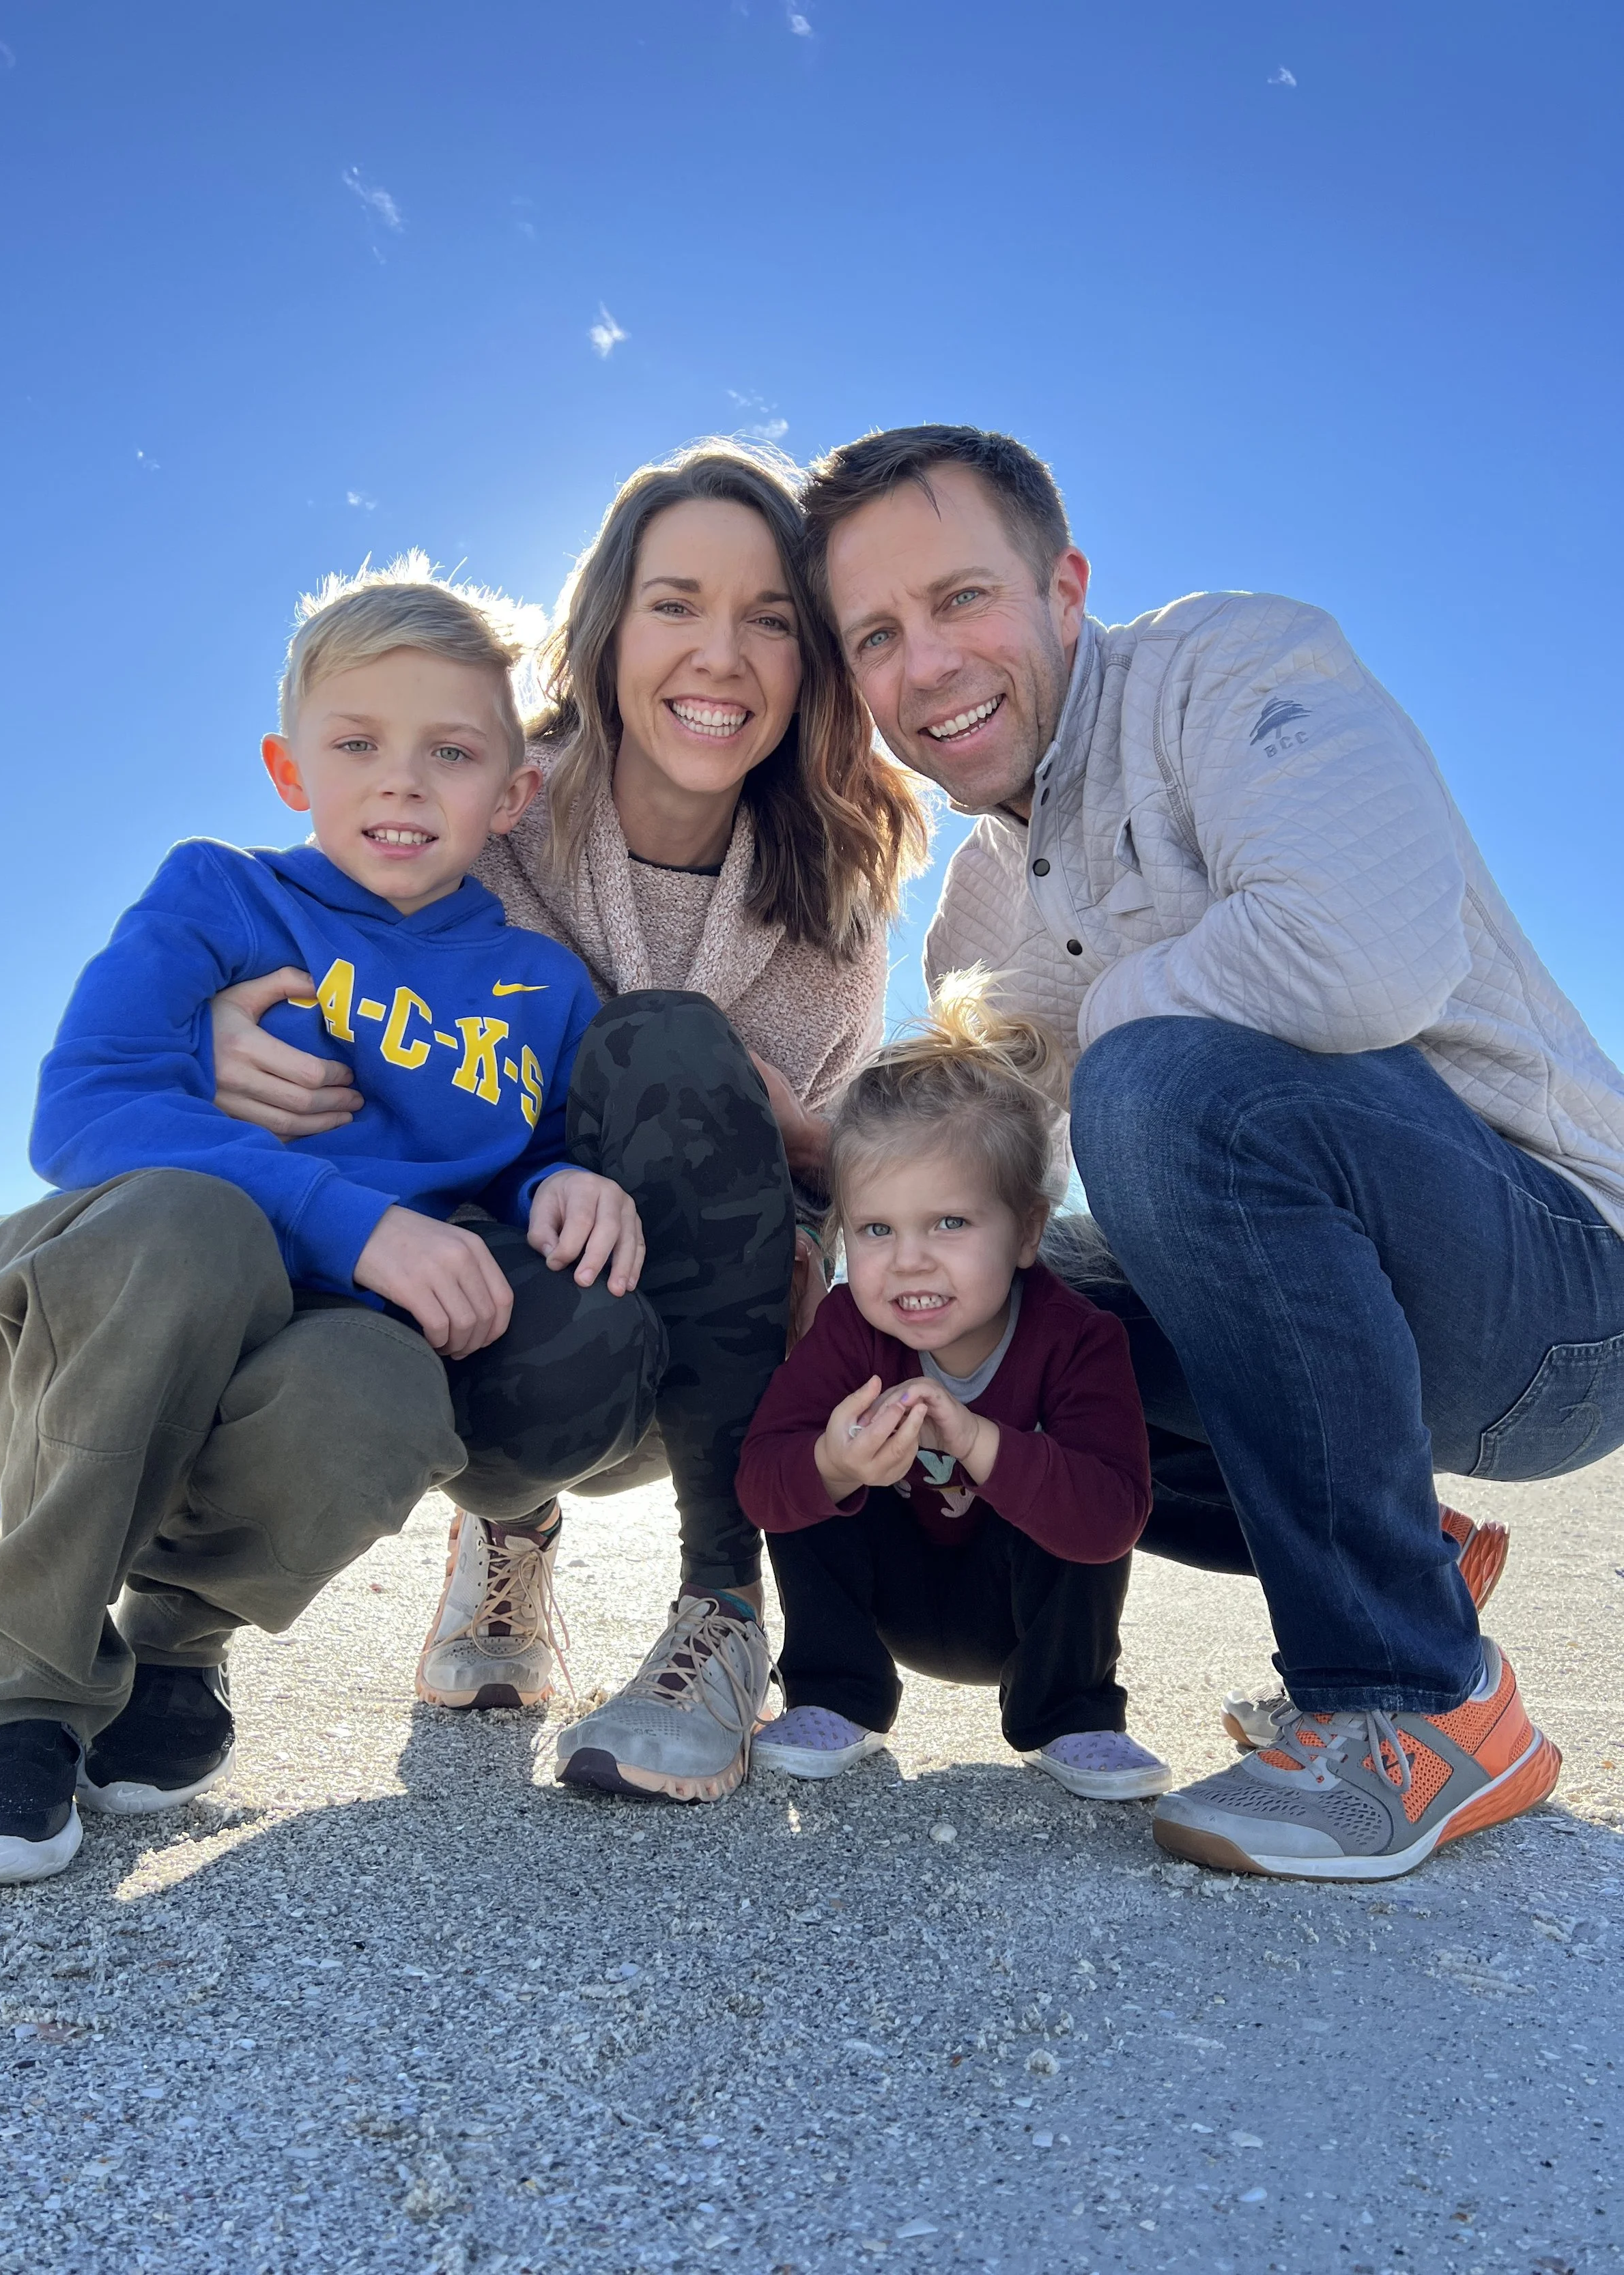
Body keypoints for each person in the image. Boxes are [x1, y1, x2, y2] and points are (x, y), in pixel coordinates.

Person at [797, 422, 1624, 1881]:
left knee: (1163, 1080)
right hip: (1359, 1327)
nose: (923, 665)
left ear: (1062, 588)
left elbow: (1354, 958)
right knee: (938, 1290)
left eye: (960, 598)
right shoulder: (978, 903)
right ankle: (1400, 1544)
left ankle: (1413, 1694)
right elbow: (988, 1191)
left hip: (1558, 1294)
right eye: (875, 633)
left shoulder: (1233, 668)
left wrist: (1094, 1020)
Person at [208, 448, 928, 1805]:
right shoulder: (493, 803)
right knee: (627, 1054)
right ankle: (504, 1531)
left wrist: (785, 1129)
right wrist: (228, 1022)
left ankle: (719, 1610)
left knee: (667, 1038)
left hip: (722, 1343)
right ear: (605, 629)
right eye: (675, 603)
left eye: (769, 616)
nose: (720, 654)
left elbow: (829, 1203)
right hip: (507, 1328)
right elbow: (312, 925)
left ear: (809, 657)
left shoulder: (826, 905)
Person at [0, 563, 648, 1886]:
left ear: (513, 791)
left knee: (383, 1379)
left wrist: (562, 1182)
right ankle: (19, 1702)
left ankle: (176, 1644)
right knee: (200, 1225)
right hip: (77, 1329)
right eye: (357, 743)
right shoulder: (220, 891)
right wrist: (352, 1220)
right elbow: (82, 1106)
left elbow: (530, 1147)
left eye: (452, 750)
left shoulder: (540, 982)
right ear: (287, 764)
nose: (402, 781)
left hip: (288, 1359)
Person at [738, 978, 1167, 1797]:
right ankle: (835, 1693)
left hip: (1016, 1604)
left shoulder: (1078, 1339)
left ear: (1027, 1232)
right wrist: (833, 1463)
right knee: (808, 1462)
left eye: (949, 1224)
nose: (909, 1260)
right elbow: (760, 1484)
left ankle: (1073, 1712)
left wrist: (981, 1444)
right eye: (876, 1230)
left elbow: (1117, 1517)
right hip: (892, 1596)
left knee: (1073, 1484)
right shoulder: (848, 1330)